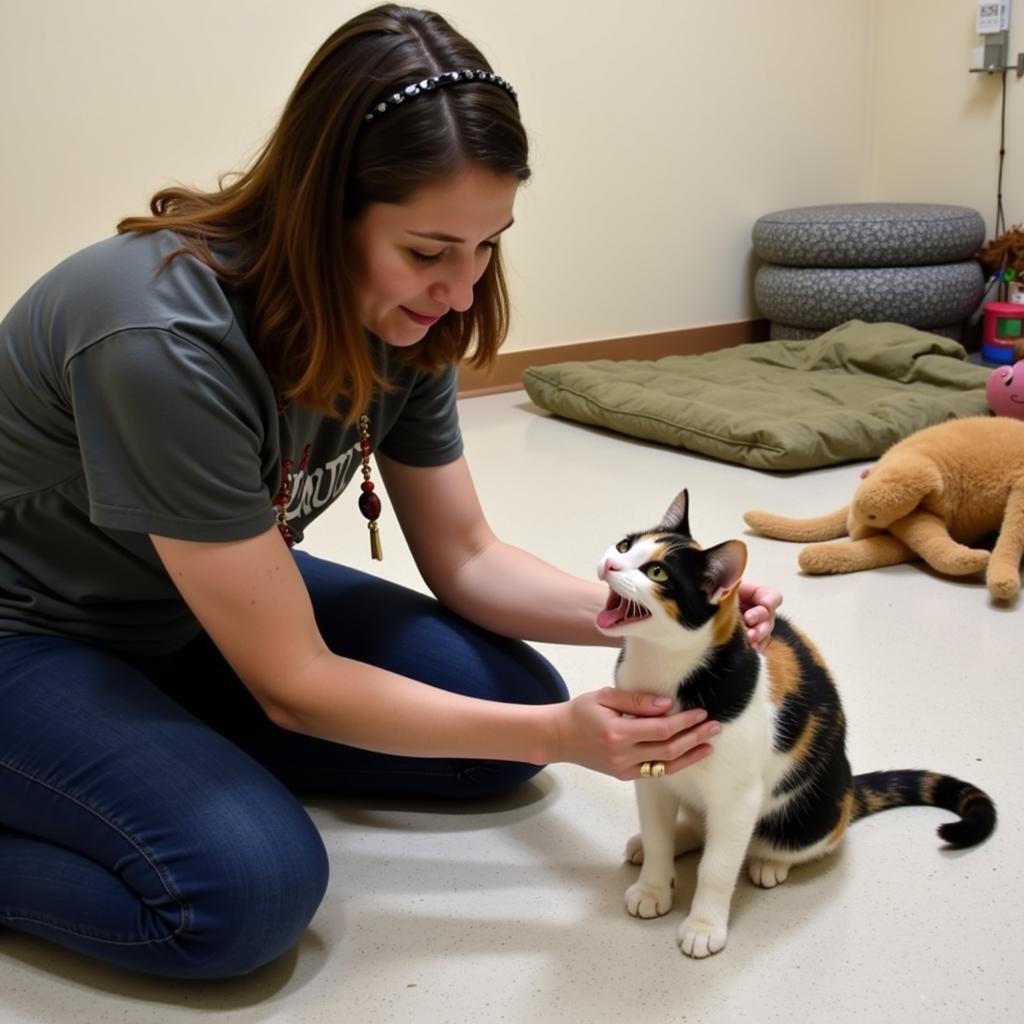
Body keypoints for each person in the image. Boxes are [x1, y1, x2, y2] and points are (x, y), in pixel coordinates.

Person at [0, 4, 781, 980]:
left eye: (488, 244)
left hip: (194, 607)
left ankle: (148, 751)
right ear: (325, 209)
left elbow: (466, 556)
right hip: (30, 632)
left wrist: (656, 621)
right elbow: (293, 680)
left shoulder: (403, 318)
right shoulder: (160, 337)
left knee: (502, 720)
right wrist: (560, 735)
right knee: (245, 891)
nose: (461, 290)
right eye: (428, 251)